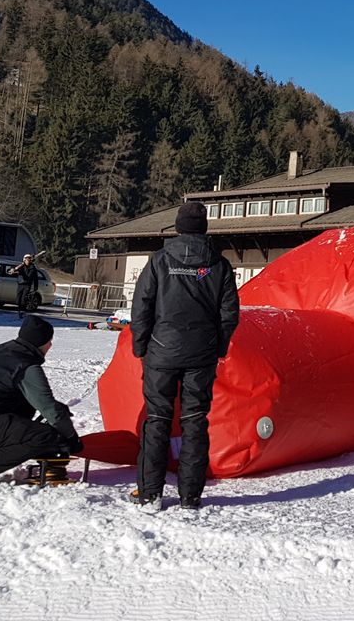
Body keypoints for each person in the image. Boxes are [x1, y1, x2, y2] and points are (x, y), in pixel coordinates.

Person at [130, 200, 239, 509]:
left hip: (161, 351)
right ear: (203, 228)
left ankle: (150, 492)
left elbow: (142, 307)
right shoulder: (218, 265)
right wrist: (218, 347)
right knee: (194, 421)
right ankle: (190, 496)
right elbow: (229, 314)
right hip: (201, 355)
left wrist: (141, 346)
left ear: (178, 227)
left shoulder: (160, 261)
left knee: (157, 419)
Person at [0, 314, 84, 488]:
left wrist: (56, 411)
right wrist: (71, 438)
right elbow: (49, 409)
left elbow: (38, 400)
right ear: (42, 342)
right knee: (43, 436)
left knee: (32, 419)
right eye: (50, 341)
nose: (51, 345)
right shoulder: (26, 366)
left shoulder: (7, 350)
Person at [9, 254, 42, 318]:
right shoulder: (21, 266)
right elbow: (14, 271)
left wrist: (36, 286)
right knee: (18, 299)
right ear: (24, 260)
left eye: (29, 260)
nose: (28, 261)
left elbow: (35, 278)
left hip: (27, 285)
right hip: (21, 284)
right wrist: (13, 270)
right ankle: (19, 311)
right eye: (26, 260)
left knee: (23, 298)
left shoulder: (33, 268)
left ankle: (23, 311)